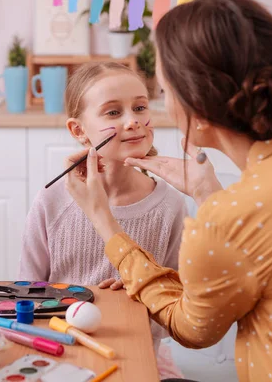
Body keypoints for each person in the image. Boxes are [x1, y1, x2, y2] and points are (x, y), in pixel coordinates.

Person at [64, 0, 272, 382]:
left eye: (161, 94)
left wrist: (105, 222)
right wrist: (209, 194)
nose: (148, 114)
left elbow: (192, 329)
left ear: (199, 114)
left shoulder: (230, 219)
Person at [18, 62, 187, 379]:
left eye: (139, 107)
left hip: (140, 356)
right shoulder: (51, 202)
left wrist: (144, 287)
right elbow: (27, 297)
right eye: (113, 113)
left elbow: (178, 309)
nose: (133, 120)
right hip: (61, 353)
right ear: (78, 130)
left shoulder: (170, 206)